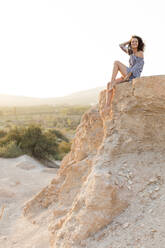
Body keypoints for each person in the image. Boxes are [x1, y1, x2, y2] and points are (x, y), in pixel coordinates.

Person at [105, 35, 145, 107]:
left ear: (139, 43)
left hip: (133, 75)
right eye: (133, 42)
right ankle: (107, 105)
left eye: (136, 42)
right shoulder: (130, 52)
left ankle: (112, 81)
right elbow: (121, 45)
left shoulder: (140, 53)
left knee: (116, 62)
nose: (134, 43)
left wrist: (127, 77)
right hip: (127, 74)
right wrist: (129, 41)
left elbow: (135, 68)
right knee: (109, 84)